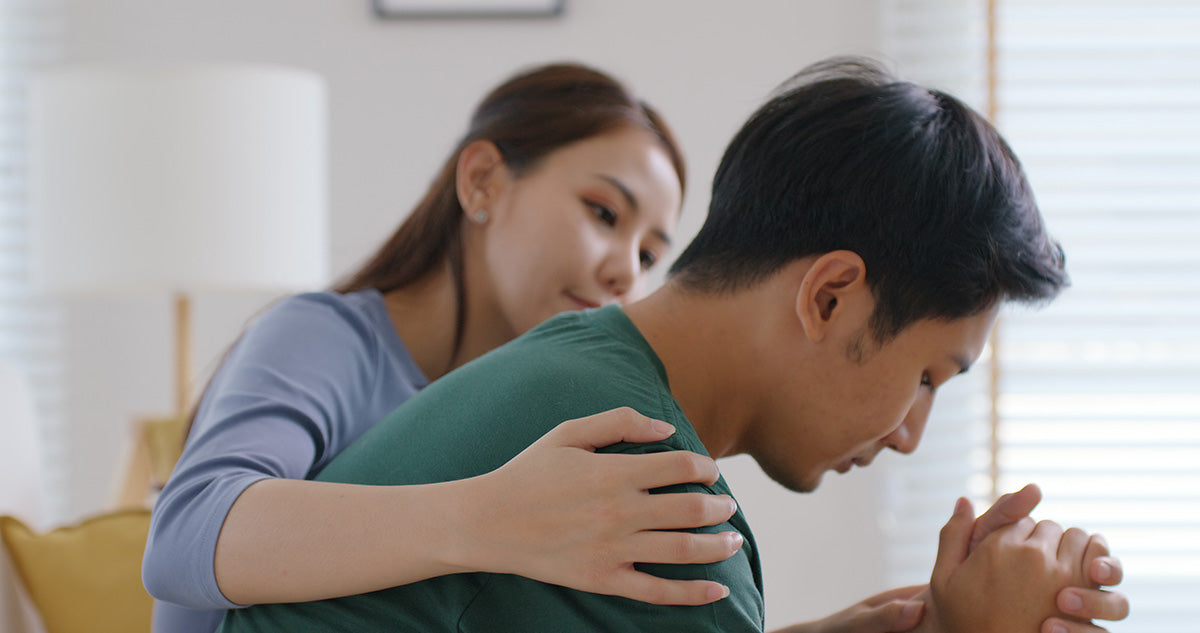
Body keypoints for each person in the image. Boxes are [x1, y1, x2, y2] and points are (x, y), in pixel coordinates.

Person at [216, 57, 1130, 633]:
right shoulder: (639, 483)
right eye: (928, 375)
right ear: (830, 295)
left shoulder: (575, 368)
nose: (909, 434)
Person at [143, 63, 749, 633]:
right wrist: (491, 518)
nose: (626, 273)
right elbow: (184, 533)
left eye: (649, 255)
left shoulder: (533, 412)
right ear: (483, 181)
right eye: (603, 213)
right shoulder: (325, 337)